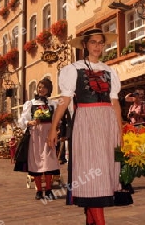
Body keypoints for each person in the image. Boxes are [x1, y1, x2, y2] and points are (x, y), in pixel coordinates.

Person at [48, 28, 123, 225]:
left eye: (100, 42)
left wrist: (120, 132)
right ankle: (100, 222)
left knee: (105, 168)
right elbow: (64, 101)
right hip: (86, 121)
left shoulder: (109, 71)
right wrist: (53, 128)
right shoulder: (73, 69)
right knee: (92, 168)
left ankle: (91, 221)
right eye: (93, 42)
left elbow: (115, 103)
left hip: (107, 122)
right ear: (85, 45)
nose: (97, 46)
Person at [18, 78, 60, 200]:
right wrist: (29, 122)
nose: (41, 89)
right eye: (40, 87)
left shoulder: (53, 104)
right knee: (36, 163)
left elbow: (57, 120)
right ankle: (38, 191)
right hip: (35, 135)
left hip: (48, 135)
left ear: (49, 90)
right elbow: (22, 119)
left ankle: (48, 190)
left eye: (44, 87)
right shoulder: (30, 104)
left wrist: (56, 128)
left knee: (48, 162)